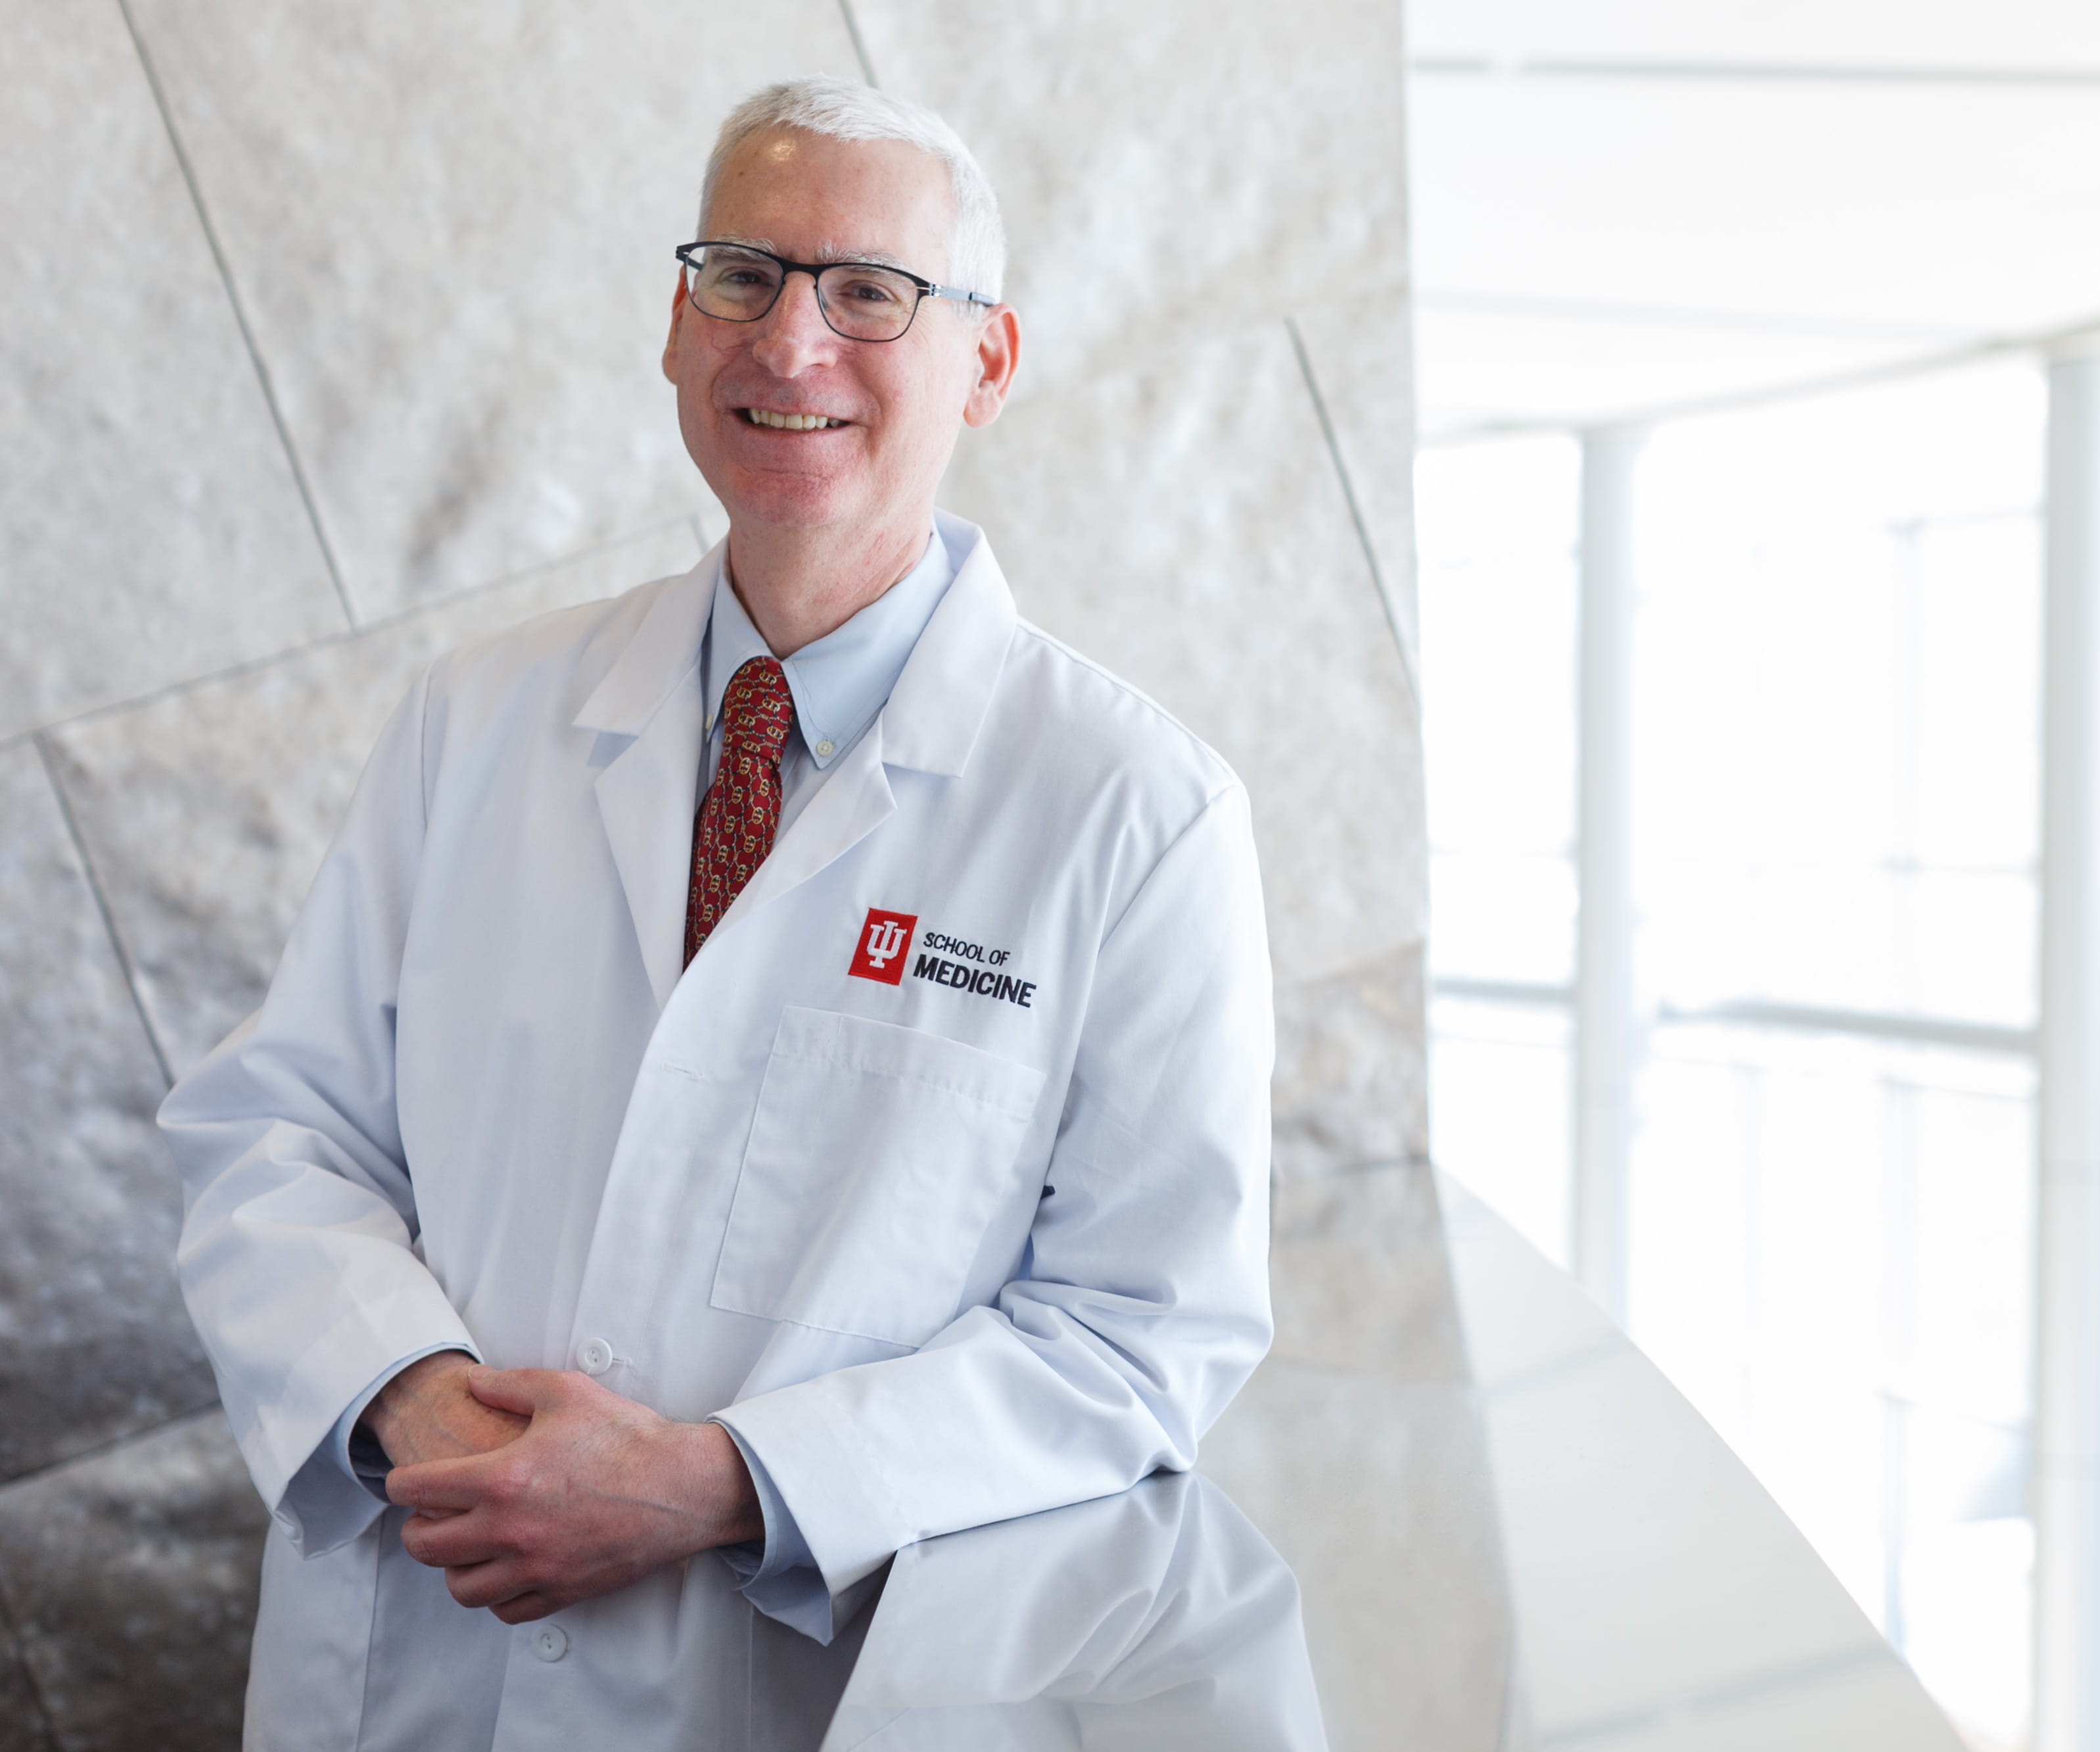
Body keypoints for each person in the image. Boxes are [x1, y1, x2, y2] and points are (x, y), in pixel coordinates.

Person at [158, 76, 1274, 1751]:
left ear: (987, 359)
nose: (791, 341)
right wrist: (407, 1398)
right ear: (677, 329)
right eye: (741, 276)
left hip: (775, 1683)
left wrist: (718, 1483)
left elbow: (1139, 1334)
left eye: (869, 292)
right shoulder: (483, 713)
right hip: (414, 1658)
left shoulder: (1136, 813)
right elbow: (274, 1128)